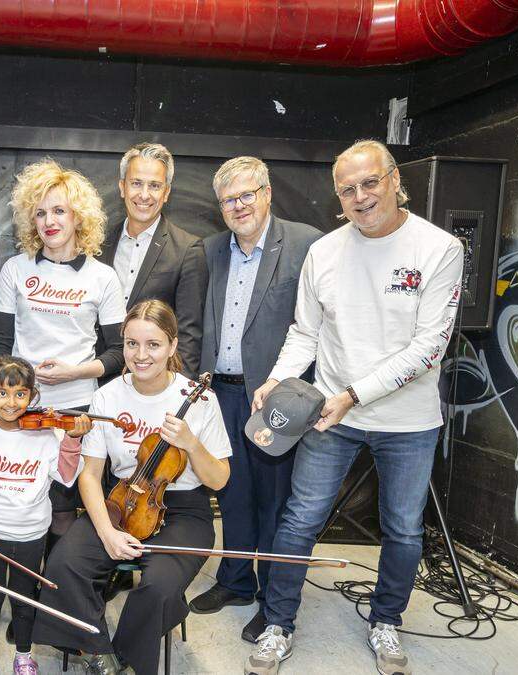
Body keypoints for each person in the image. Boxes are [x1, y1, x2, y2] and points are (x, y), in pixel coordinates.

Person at [243, 140, 463, 675]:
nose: (361, 196)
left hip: (407, 422)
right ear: (337, 197)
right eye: (348, 189)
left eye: (370, 183)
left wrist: (353, 396)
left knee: (404, 529)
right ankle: (278, 625)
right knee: (299, 520)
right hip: (330, 415)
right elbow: (305, 332)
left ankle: (386, 620)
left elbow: (430, 346)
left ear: (394, 180)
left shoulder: (439, 248)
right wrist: (277, 380)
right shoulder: (325, 251)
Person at [32, 300, 232, 675]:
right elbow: (91, 475)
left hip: (184, 509)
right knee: (63, 563)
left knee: (158, 586)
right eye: (131, 344)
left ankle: (125, 656)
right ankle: (98, 652)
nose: (141, 355)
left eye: (153, 344)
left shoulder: (200, 399)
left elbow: (219, 479)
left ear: (173, 346)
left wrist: (191, 443)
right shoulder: (108, 395)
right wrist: (107, 531)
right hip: (121, 500)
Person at [189, 157, 322, 643]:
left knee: (275, 498)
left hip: (274, 396)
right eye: (229, 199)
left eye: (247, 194)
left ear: (267, 193)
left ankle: (273, 601)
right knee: (232, 492)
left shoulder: (306, 242)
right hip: (219, 393)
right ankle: (235, 582)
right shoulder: (211, 251)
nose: (239, 206)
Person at [0, 158, 127, 540]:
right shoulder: (15, 270)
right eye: (40, 213)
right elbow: (0, 345)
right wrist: (12, 394)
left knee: (65, 506)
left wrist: (74, 372)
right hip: (24, 407)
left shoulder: (103, 277)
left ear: (78, 217)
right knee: (26, 498)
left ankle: (61, 587)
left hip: (77, 407)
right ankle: (25, 595)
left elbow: (118, 353)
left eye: (59, 211)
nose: (49, 221)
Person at [0, 356, 90, 675]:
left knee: (24, 600)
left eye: (20, 394)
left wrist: (73, 438)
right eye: (2, 393)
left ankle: (23, 656)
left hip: (31, 535)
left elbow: (67, 477)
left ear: (32, 396)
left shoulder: (46, 437)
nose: (11, 403)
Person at [97, 143, 207, 378]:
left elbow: (189, 335)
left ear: (166, 193)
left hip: (155, 384)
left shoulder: (188, 250)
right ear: (122, 187)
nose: (144, 195)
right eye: (136, 183)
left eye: (154, 186)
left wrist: (178, 397)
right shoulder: (98, 244)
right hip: (100, 381)